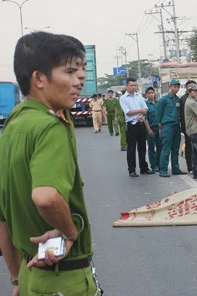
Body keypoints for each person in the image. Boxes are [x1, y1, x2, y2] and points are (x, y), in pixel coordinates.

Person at [0, 31, 101, 296]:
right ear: (39, 79)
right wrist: (69, 232)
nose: (80, 79)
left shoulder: (13, 125)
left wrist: (16, 279)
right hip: (63, 279)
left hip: (29, 274)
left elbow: (3, 218)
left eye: (82, 70)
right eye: (69, 71)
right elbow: (45, 197)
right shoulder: (49, 127)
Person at [120, 78, 154, 177]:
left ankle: (144, 168)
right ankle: (132, 169)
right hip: (131, 125)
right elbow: (128, 112)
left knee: (142, 147)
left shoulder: (139, 96)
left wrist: (141, 115)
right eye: (131, 85)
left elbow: (146, 109)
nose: (134, 87)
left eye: (135, 85)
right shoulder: (123, 98)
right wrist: (140, 111)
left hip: (141, 124)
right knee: (131, 148)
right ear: (127, 86)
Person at [156, 79, 187, 177]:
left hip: (176, 126)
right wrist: (160, 128)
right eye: (174, 86)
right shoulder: (163, 100)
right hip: (167, 126)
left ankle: (175, 168)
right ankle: (163, 170)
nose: (176, 88)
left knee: (175, 149)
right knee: (166, 149)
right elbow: (159, 114)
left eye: (178, 87)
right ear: (170, 87)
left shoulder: (178, 100)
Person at [144, 86, 162, 172]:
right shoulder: (145, 105)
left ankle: (159, 164)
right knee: (151, 148)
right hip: (150, 129)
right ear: (146, 95)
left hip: (159, 128)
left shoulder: (158, 103)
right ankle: (153, 165)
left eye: (152, 92)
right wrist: (148, 129)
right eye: (149, 93)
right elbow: (145, 118)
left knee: (160, 147)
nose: (151, 94)